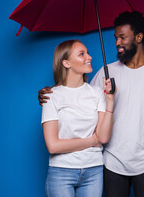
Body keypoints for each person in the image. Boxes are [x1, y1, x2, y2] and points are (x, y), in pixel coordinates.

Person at [39, 11, 144, 197]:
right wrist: (50, 92)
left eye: (122, 37)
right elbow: (77, 95)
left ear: (138, 37)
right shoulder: (106, 72)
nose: (117, 43)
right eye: (115, 38)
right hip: (111, 163)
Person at [41, 39, 115, 197]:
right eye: (82, 54)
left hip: (94, 170)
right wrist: (91, 141)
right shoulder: (51, 96)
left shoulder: (96, 93)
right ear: (66, 63)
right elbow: (53, 146)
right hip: (61, 172)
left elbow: (102, 136)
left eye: (87, 53)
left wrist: (110, 100)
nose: (89, 57)